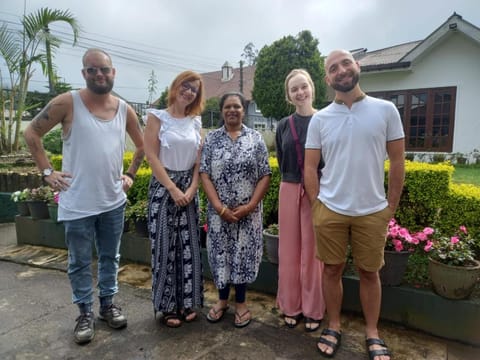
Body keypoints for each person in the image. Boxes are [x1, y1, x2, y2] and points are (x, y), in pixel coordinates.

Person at [23, 48, 145, 345]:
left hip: (112, 201)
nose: (99, 74)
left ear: (113, 72)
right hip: (77, 202)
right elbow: (32, 133)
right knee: (79, 261)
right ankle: (84, 313)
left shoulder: (124, 109)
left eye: (104, 69)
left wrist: (129, 174)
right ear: (84, 73)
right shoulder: (68, 102)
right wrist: (47, 172)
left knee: (110, 256)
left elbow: (142, 146)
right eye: (92, 70)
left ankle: (107, 306)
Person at [304, 50, 405, 360]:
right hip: (330, 209)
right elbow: (310, 167)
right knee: (331, 270)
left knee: (369, 273)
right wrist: (317, 204)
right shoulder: (320, 119)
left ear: (357, 66)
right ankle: (333, 325)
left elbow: (399, 160)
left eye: (346, 63)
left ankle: (372, 332)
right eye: (333, 68)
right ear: (327, 79)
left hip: (372, 210)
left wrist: (390, 206)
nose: (341, 70)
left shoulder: (386, 110)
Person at [199, 92, 271, 328]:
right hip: (219, 215)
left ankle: (241, 303)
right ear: (221, 111)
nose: (232, 110)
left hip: (247, 215)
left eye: (237, 106)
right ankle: (221, 301)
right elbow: (204, 174)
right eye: (228, 106)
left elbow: (265, 175)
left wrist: (249, 207)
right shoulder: (211, 139)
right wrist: (219, 208)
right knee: (220, 254)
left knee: (242, 256)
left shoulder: (256, 138)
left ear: (243, 110)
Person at [144, 70, 205, 328]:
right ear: (176, 86)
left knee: (189, 247)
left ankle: (187, 301)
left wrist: (192, 188)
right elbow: (151, 156)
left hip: (189, 189)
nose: (189, 91)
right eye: (186, 85)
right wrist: (172, 188)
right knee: (165, 247)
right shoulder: (157, 117)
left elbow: (198, 160)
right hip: (163, 187)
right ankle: (167, 306)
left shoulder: (196, 122)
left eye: (194, 89)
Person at [275, 69, 325, 332]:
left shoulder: (326, 120)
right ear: (288, 95)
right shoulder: (283, 125)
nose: (300, 92)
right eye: (294, 89)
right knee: (289, 252)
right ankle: (291, 305)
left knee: (314, 252)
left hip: (318, 190)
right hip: (289, 188)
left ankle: (314, 308)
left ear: (312, 88)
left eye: (303, 86)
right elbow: (283, 160)